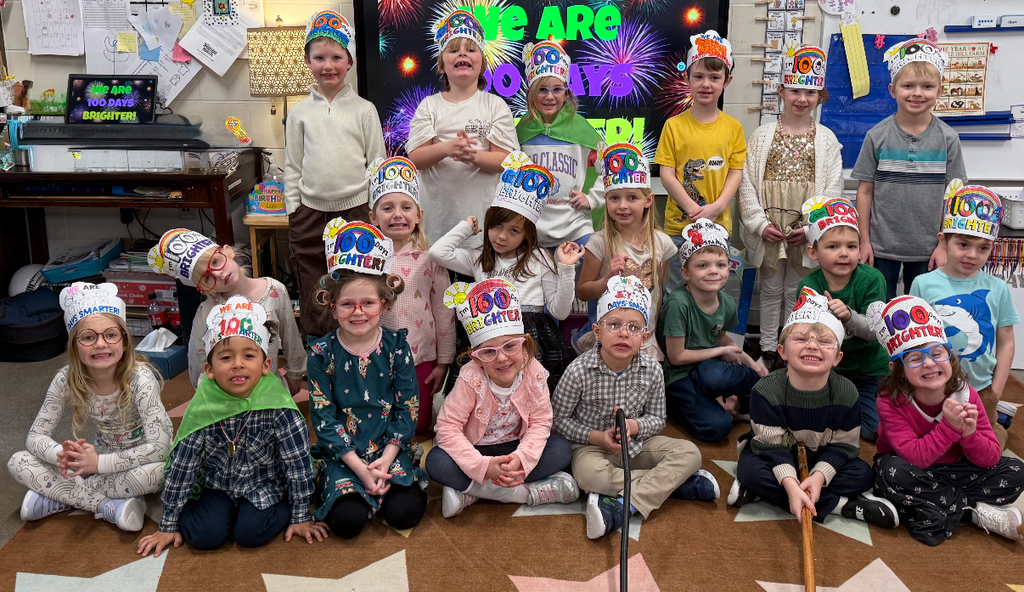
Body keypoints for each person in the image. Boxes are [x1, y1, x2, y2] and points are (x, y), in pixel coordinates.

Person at [138, 296, 326, 556]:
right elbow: (183, 465)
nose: (238, 364)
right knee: (204, 537)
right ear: (210, 369)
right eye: (226, 357)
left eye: (249, 356)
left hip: (265, 484)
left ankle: (277, 507)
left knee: (251, 534)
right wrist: (169, 522)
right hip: (218, 485)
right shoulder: (204, 405)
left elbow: (297, 463)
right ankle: (214, 515)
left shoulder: (279, 407)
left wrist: (301, 514)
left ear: (266, 366)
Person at [553, 275, 718, 540]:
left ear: (645, 337)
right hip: (592, 448)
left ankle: (624, 505)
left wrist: (634, 426)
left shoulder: (652, 369)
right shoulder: (579, 370)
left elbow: (657, 418)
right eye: (614, 325)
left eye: (633, 328)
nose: (623, 333)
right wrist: (597, 438)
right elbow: (558, 420)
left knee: (690, 453)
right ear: (597, 332)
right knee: (588, 476)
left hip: (636, 446)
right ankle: (675, 484)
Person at [8, 283, 172, 532]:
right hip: (95, 462)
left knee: (162, 473)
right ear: (74, 345)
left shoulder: (140, 378)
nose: (100, 344)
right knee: (17, 462)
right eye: (88, 337)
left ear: (125, 342)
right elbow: (35, 436)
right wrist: (61, 456)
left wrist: (97, 466)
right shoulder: (66, 378)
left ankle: (57, 495)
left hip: (140, 462)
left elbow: (160, 448)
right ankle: (108, 507)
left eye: (110, 334)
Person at [729, 289, 899, 529]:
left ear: (838, 357)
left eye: (824, 342)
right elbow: (771, 447)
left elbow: (845, 445)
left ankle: (765, 493)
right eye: (800, 340)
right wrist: (790, 482)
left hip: (823, 454)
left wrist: (818, 477)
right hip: (776, 454)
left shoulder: (847, 392)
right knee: (750, 470)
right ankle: (840, 505)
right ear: (782, 352)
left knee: (863, 474)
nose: (812, 346)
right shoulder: (765, 390)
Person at [866, 296, 1024, 545]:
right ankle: (973, 512)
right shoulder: (890, 399)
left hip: (955, 470)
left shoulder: (966, 394)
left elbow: (991, 457)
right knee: (889, 473)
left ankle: (940, 508)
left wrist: (970, 435)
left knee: (1017, 471)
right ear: (898, 368)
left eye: (937, 353)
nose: (929, 363)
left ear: (950, 356)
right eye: (915, 358)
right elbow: (914, 456)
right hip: (912, 470)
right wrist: (949, 427)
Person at [307, 218, 427, 539]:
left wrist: (386, 462)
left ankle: (385, 482)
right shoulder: (321, 352)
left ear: (383, 304)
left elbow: (408, 408)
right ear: (333, 308)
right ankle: (341, 486)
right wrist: (360, 468)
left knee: (405, 515)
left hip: (389, 448)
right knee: (347, 524)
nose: (357, 312)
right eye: (347, 304)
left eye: (368, 303)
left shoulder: (397, 346)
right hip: (343, 453)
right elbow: (323, 416)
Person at [429, 152, 583, 392]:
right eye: (497, 225)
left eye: (514, 231)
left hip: (530, 339)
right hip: (489, 336)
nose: (502, 236)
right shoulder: (479, 259)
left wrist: (566, 268)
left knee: (528, 399)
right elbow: (438, 253)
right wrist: (464, 228)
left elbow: (560, 312)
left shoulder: (540, 258)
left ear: (527, 234)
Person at [426, 279, 578, 518]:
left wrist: (521, 459)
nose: (502, 359)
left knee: (561, 450)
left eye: (510, 346)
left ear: (525, 346)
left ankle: (472, 492)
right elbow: (447, 428)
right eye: (488, 352)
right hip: (476, 450)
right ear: (476, 358)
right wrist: (483, 466)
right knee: (436, 462)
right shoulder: (470, 378)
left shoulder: (534, 372)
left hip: (513, 449)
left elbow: (540, 423)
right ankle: (525, 494)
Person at [737, 45, 844, 366]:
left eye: (810, 92)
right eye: (795, 89)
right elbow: (746, 186)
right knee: (769, 289)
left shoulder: (827, 140)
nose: (802, 98)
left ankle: (791, 346)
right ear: (781, 91)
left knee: (797, 289)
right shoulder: (761, 136)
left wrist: (812, 230)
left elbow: (833, 190)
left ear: (820, 97)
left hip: (803, 231)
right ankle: (769, 347)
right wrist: (758, 223)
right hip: (770, 227)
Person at [286, 10, 385, 337]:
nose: (328, 65)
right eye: (319, 57)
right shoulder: (299, 112)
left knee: (355, 285)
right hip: (310, 214)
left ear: (349, 62)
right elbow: (293, 166)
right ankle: (318, 354)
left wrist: (375, 210)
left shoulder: (364, 110)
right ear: (308, 60)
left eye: (336, 57)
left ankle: (360, 347)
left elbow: (377, 163)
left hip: (356, 212)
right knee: (315, 287)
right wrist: (293, 209)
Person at [853, 38, 967, 301]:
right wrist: (864, 241)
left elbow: (954, 197)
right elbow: (865, 191)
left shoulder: (948, 139)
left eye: (927, 86)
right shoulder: (877, 136)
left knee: (923, 313)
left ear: (940, 90)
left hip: (929, 249)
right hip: (881, 248)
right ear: (893, 90)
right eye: (908, 86)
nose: (917, 93)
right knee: (880, 309)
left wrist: (944, 244)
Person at [910, 183, 1018, 450]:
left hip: (981, 388)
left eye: (983, 248)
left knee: (984, 448)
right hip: (934, 386)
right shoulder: (923, 284)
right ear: (944, 240)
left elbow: (1006, 342)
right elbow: (915, 339)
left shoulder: (998, 288)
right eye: (963, 244)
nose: (972, 254)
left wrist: (995, 391)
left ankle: (998, 420)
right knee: (935, 445)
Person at [408, 8, 519, 246]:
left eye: (471, 49)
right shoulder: (429, 106)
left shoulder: (495, 106)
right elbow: (416, 157)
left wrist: (473, 156)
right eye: (453, 49)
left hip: (482, 226)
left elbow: (506, 161)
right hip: (437, 225)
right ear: (441, 64)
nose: (463, 54)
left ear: (482, 64)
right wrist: (448, 148)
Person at [149, 228, 306, 393]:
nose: (219, 274)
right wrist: (204, 392)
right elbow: (197, 359)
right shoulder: (207, 310)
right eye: (207, 277)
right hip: (225, 396)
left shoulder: (275, 290)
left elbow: (291, 335)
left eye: (215, 262)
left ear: (227, 251)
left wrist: (296, 373)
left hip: (269, 390)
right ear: (202, 288)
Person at [655, 30, 746, 296]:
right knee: (674, 289)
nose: (706, 84)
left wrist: (717, 207)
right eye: (699, 76)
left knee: (711, 289)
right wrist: (695, 210)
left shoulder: (733, 128)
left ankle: (707, 339)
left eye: (714, 78)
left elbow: (735, 173)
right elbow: (667, 175)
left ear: (726, 81)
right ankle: (672, 338)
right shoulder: (674, 126)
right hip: (678, 226)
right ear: (687, 77)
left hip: (718, 226)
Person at [369, 157, 456, 433]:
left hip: (422, 356)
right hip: (373, 356)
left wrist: (444, 362)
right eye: (387, 208)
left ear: (418, 215)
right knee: (379, 421)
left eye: (406, 207)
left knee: (418, 425)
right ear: (373, 217)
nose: (397, 214)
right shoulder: (364, 260)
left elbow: (445, 312)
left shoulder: (431, 258)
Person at [661, 220, 768, 442]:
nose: (713, 272)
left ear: (728, 268)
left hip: (708, 370)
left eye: (720, 265)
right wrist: (719, 352)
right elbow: (677, 356)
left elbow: (720, 336)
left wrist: (752, 363)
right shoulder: (678, 303)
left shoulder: (726, 303)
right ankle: (678, 403)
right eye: (702, 266)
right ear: (685, 273)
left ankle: (745, 396)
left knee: (718, 375)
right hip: (680, 375)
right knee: (718, 428)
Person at [797, 196, 890, 442]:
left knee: (872, 430)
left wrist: (848, 316)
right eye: (833, 247)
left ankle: (849, 405)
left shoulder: (872, 278)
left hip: (869, 371)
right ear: (813, 252)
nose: (843, 254)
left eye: (851, 246)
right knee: (801, 416)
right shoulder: (808, 284)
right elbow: (805, 334)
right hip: (827, 371)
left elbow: (876, 331)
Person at [575, 143, 675, 359]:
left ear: (648, 201)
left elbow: (656, 295)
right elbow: (583, 292)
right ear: (606, 201)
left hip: (644, 339)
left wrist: (653, 333)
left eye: (632, 198)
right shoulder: (599, 242)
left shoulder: (662, 243)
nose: (622, 206)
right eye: (614, 198)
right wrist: (608, 279)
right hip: (610, 339)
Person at [516, 41, 604, 249]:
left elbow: (611, 167)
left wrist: (593, 199)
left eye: (557, 89)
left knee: (587, 275)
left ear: (566, 93)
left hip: (576, 228)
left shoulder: (581, 129)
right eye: (542, 90)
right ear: (530, 93)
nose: (549, 97)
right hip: (531, 231)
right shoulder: (521, 131)